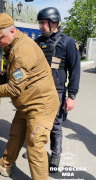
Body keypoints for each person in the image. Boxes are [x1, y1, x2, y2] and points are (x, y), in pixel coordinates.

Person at [0, 13, 60, 179]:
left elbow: (13, 89)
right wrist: (4, 75)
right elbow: (20, 76)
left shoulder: (22, 51)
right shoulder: (13, 44)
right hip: (27, 102)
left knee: (35, 146)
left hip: (40, 106)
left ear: (11, 31)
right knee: (15, 134)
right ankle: (5, 165)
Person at [34, 7, 80, 172]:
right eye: (39, 23)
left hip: (56, 92)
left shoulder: (67, 42)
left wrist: (72, 96)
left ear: (53, 22)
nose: (40, 26)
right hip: (37, 92)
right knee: (36, 122)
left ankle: (55, 155)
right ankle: (37, 151)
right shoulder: (38, 42)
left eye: (42, 23)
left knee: (55, 125)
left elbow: (75, 71)